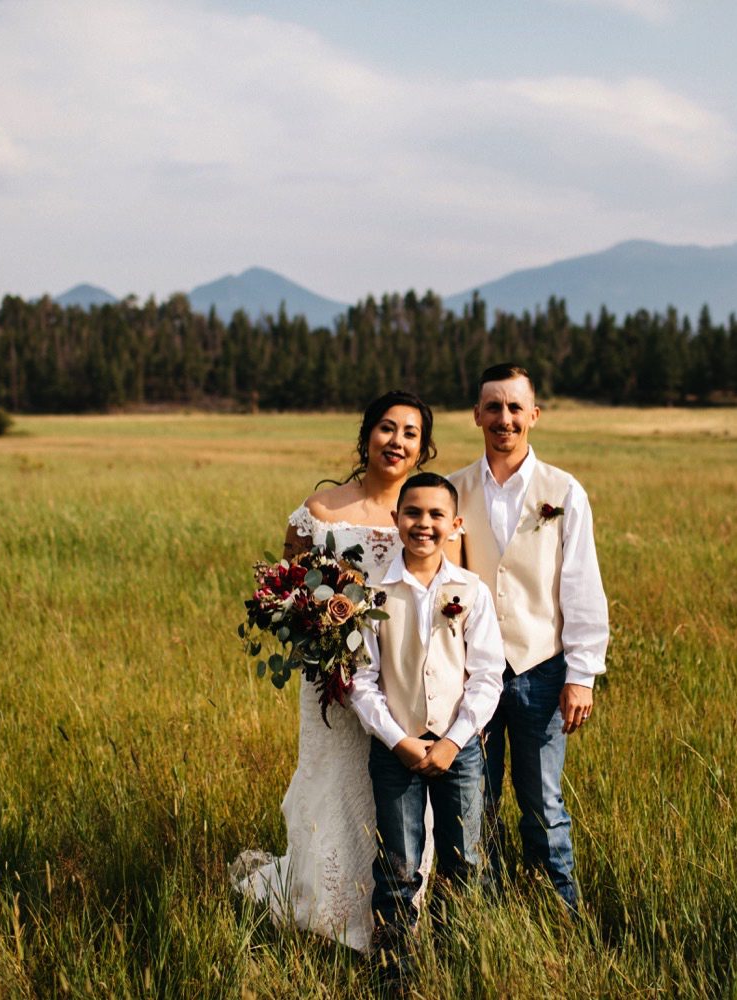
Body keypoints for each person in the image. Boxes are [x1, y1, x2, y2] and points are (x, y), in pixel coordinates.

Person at [231, 390, 437, 952]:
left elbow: (446, 597)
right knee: (333, 787)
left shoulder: (426, 517)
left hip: (403, 682)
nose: (396, 441)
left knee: (393, 793)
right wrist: (313, 628)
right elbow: (287, 587)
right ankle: (332, 914)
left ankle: (399, 908)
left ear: (423, 448)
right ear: (366, 434)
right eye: (387, 428)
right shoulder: (320, 512)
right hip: (329, 681)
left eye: (410, 433)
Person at [448, 363, 609, 911]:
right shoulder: (453, 490)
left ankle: (561, 914)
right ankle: (489, 915)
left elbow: (581, 584)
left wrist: (581, 675)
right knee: (476, 800)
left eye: (515, 408)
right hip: (473, 673)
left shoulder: (563, 490)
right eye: (493, 407)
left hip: (542, 669)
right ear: (476, 416)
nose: (504, 418)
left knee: (543, 801)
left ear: (534, 416)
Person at [348, 472, 504, 989]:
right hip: (397, 748)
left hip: (459, 749)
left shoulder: (471, 591)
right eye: (413, 513)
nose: (424, 524)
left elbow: (486, 675)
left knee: (465, 859)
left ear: (456, 525)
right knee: (398, 863)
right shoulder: (373, 593)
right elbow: (361, 680)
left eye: (437, 515)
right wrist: (398, 739)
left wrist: (456, 739)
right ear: (396, 520)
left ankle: (459, 960)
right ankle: (394, 972)